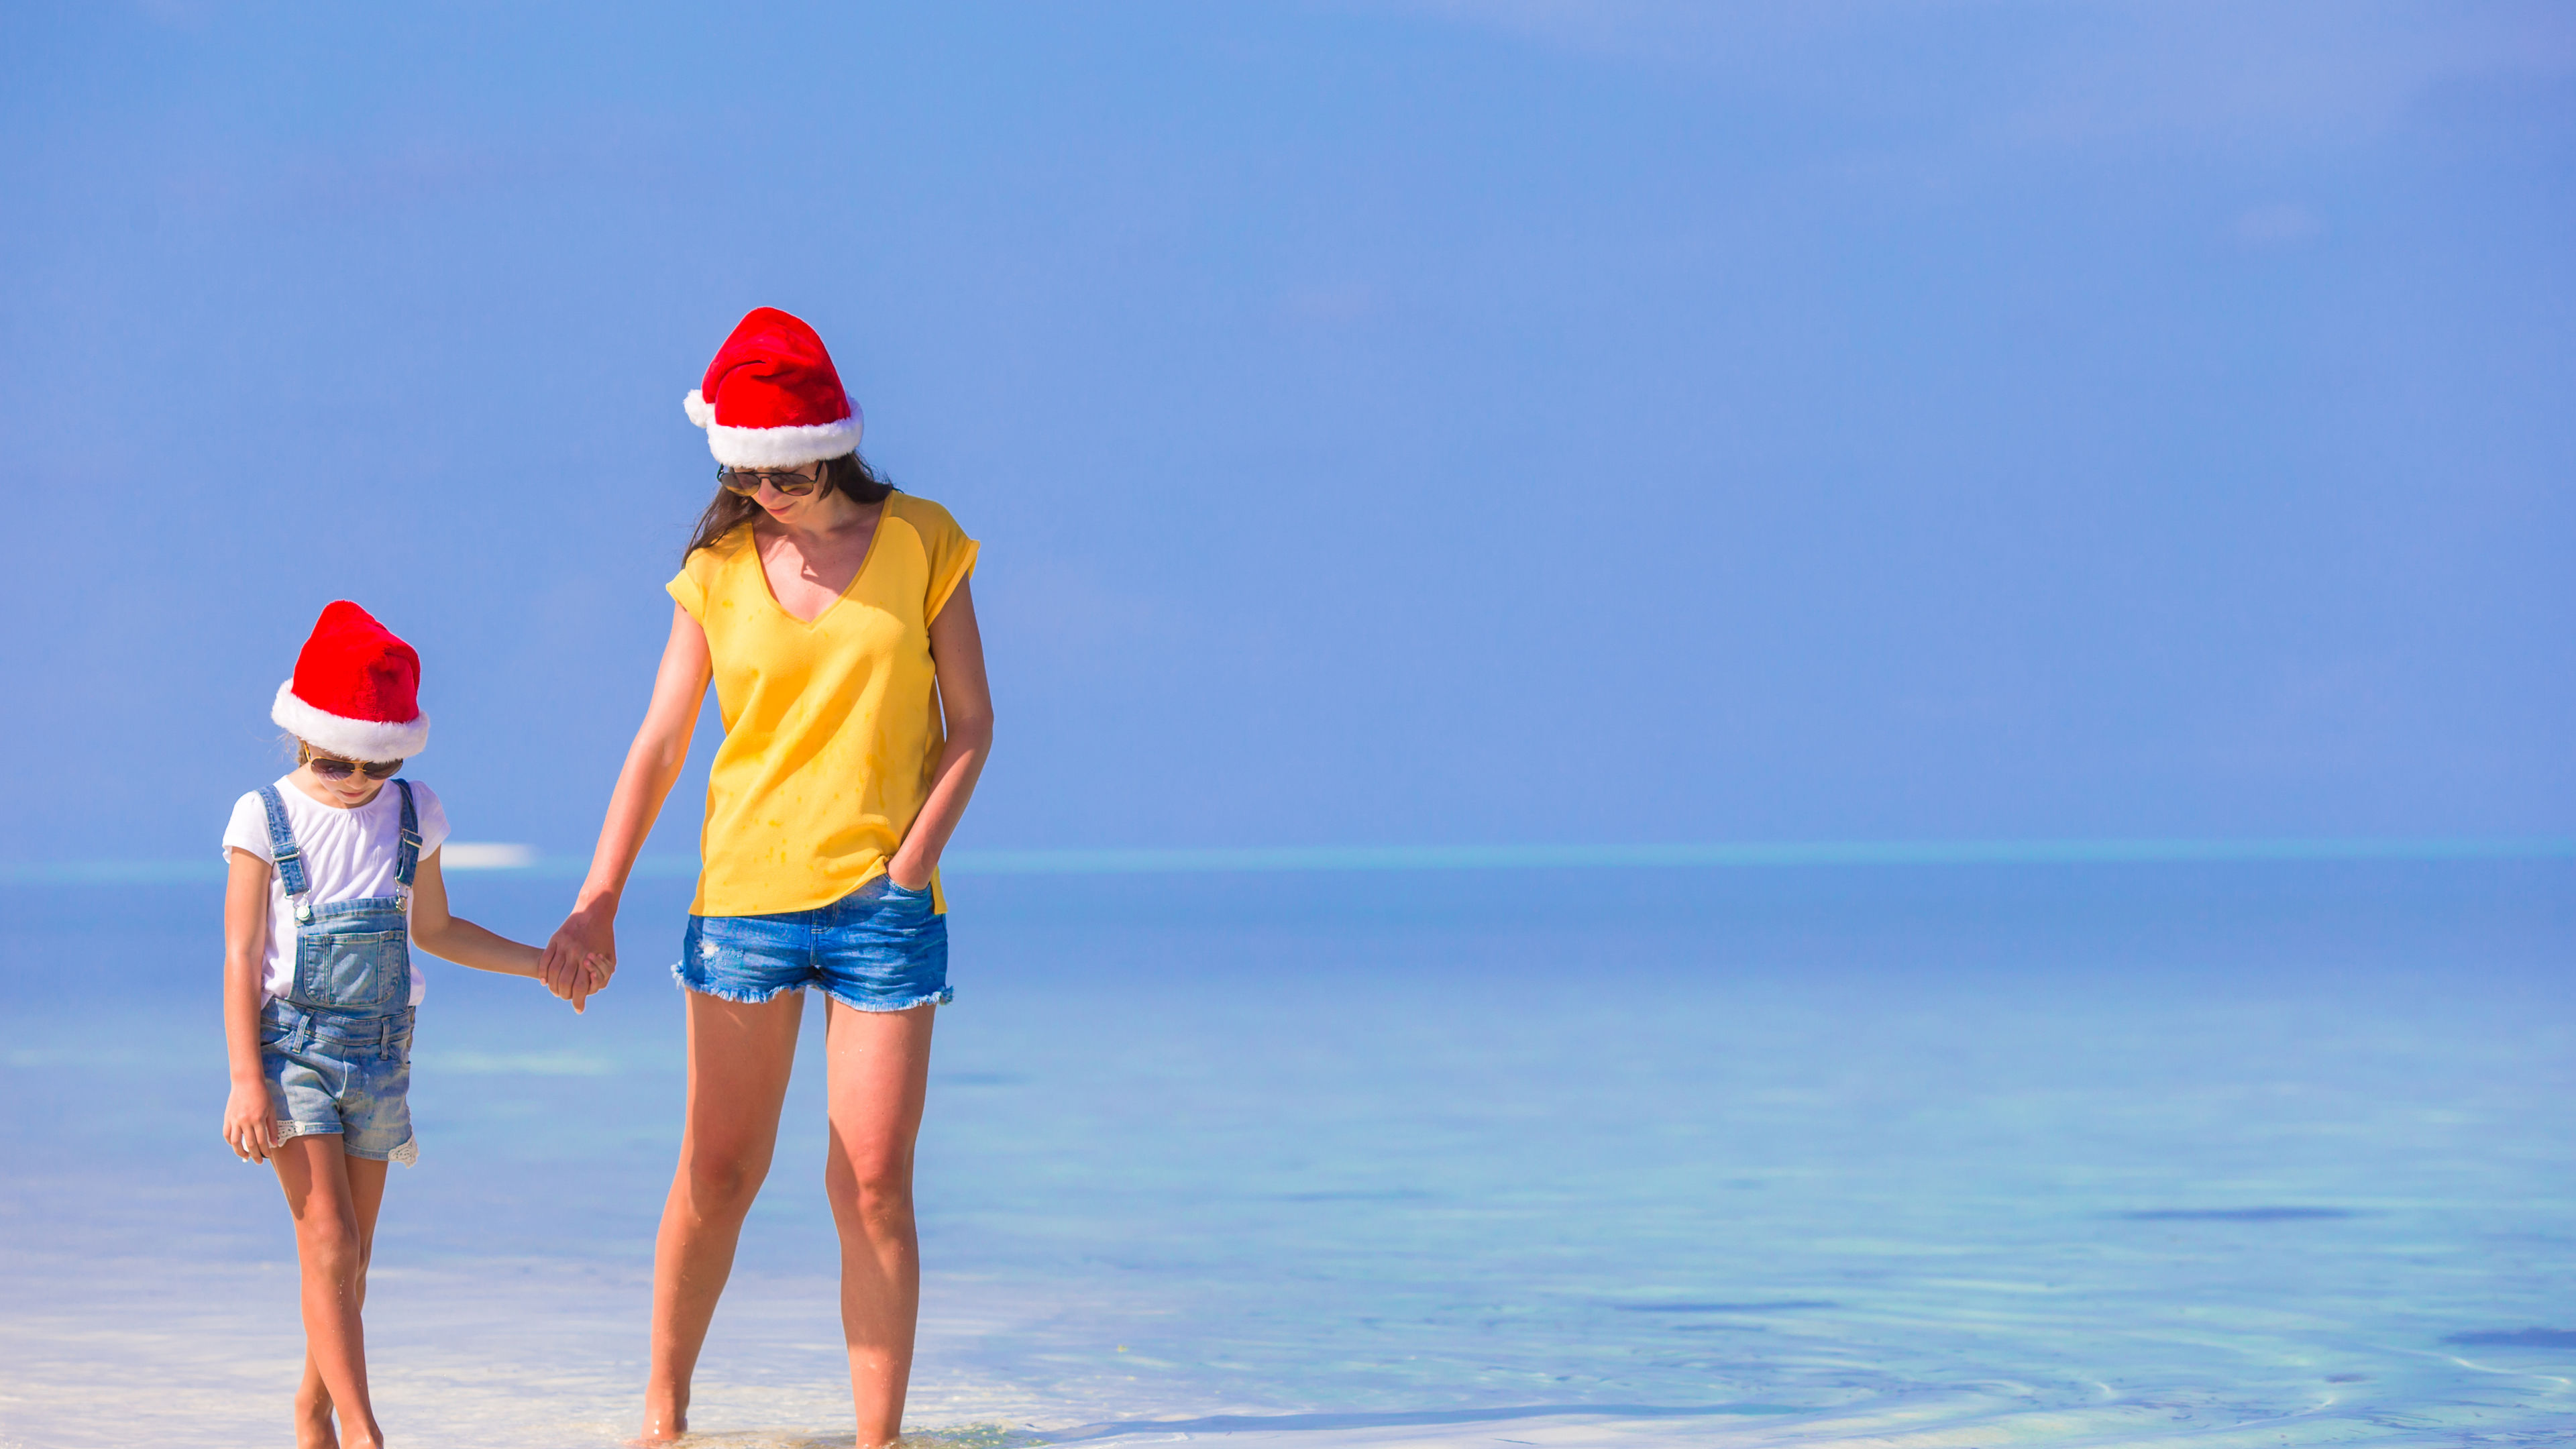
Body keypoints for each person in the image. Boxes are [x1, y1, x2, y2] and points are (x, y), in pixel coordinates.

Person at [537, 307, 993, 1447]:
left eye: (777, 471)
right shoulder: (717, 566)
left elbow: (973, 725)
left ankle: (878, 1439)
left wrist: (912, 862)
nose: (759, 490)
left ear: (825, 446)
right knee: (721, 1170)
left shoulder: (924, 540)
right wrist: (597, 897)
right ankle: (664, 1416)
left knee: (874, 1184)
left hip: (885, 910)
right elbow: (657, 744)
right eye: (740, 472)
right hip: (741, 903)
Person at [220, 600, 566, 1449]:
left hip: (380, 1058)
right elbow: (240, 957)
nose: (354, 783)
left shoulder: (415, 813)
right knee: (328, 1239)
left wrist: (541, 963)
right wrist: (244, 1079)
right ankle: (365, 1432)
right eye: (337, 764)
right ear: (303, 738)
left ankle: (311, 1409)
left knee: (351, 1261)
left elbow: (437, 931)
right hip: (289, 1050)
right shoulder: (262, 817)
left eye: (372, 768)